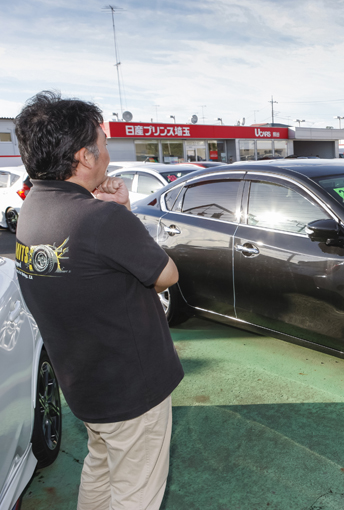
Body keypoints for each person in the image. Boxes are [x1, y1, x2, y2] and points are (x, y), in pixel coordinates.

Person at [14, 91, 184, 510]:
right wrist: (122, 211)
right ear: (84, 157)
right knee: (136, 492)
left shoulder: (33, 209)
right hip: (132, 388)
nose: (108, 152)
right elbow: (167, 275)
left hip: (86, 385)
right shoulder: (100, 219)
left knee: (101, 468)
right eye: (103, 143)